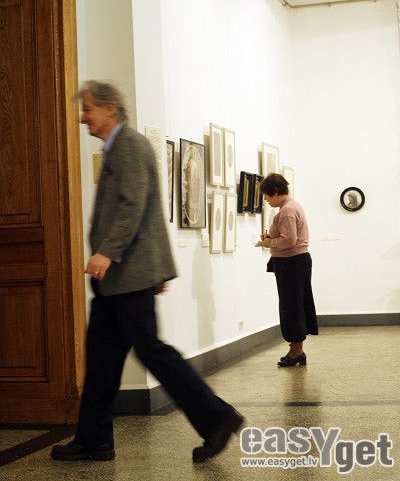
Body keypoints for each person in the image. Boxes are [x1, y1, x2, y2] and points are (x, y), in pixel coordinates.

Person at [50, 80, 243, 463]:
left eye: (88, 109)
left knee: (152, 352)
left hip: (127, 274)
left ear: (110, 108)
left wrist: (108, 252)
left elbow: (134, 205)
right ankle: (94, 438)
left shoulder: (129, 145)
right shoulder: (118, 147)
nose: (82, 118)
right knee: (102, 360)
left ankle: (217, 417)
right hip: (120, 280)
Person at [259, 173, 318, 367]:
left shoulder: (287, 210)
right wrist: (271, 239)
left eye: (266, 195)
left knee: (291, 306)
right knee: (295, 304)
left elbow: (289, 240)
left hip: (291, 262)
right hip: (295, 262)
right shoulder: (292, 206)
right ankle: (296, 349)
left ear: (275, 191)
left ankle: (296, 351)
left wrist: (268, 242)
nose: (265, 199)